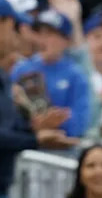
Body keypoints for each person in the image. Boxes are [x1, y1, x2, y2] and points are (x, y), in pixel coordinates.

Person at [0, 0, 77, 198]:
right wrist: (35, 139)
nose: (21, 34)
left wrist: (34, 127)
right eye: (15, 26)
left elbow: (1, 127)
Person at [10, 10, 91, 139]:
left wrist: (52, 121)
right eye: (40, 33)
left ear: (66, 40)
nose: (43, 40)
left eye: (50, 34)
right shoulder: (21, 69)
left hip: (63, 149)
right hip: (26, 143)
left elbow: (80, 123)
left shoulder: (76, 75)